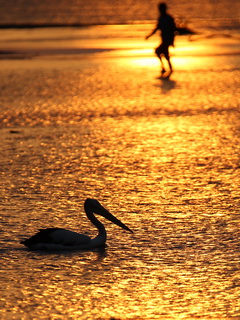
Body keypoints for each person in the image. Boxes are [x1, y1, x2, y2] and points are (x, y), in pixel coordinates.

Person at [146, 2, 176, 78]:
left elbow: (173, 30)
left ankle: (165, 69)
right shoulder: (161, 18)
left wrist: (172, 41)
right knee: (164, 54)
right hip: (164, 40)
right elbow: (157, 28)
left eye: (161, 9)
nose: (160, 10)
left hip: (167, 40)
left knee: (159, 51)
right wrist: (149, 35)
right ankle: (167, 69)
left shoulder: (168, 18)